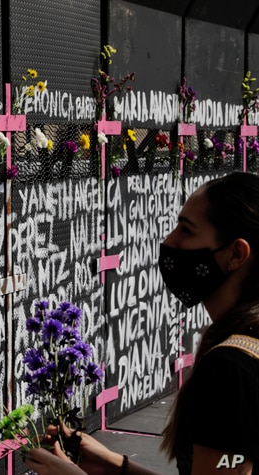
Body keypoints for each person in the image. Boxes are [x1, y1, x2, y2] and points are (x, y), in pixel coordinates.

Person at [25, 172, 259, 475]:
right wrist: (116, 466)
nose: (169, 241)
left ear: (236, 254)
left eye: (186, 230)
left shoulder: (230, 369)